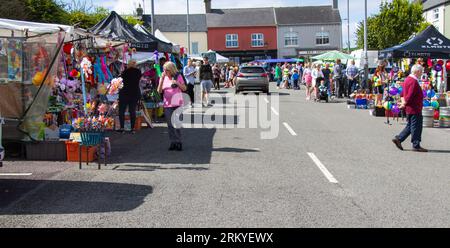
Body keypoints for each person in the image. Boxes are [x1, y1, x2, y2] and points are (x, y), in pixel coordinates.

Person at [392, 64, 428, 152]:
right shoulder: (413, 81)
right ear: (417, 71)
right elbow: (410, 95)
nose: (421, 74)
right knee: (416, 126)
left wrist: (403, 102)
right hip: (414, 107)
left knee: (410, 126)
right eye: (421, 72)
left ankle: (399, 139)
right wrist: (404, 103)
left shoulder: (407, 79)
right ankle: (416, 145)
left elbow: (402, 93)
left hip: (410, 107)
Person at [157, 61, 187, 151]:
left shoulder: (178, 76)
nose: (165, 72)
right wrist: (161, 79)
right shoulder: (163, 77)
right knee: (170, 125)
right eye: (164, 70)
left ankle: (179, 142)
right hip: (167, 104)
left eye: (166, 70)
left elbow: (184, 88)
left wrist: (177, 83)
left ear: (171, 70)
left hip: (178, 104)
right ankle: (173, 142)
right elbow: (159, 91)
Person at [118, 59, 142, 134]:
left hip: (124, 93)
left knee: (122, 110)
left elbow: (121, 81)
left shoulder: (124, 72)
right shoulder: (138, 72)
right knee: (132, 110)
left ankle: (122, 128)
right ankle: (132, 129)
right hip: (134, 93)